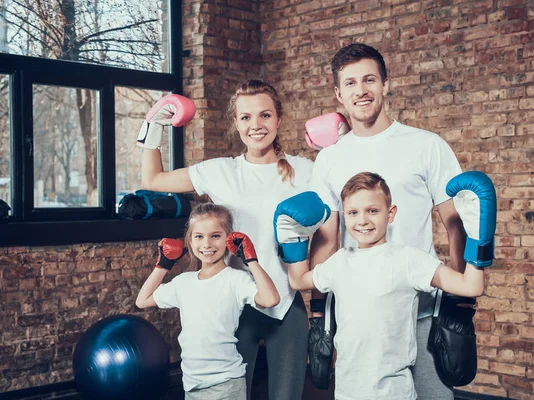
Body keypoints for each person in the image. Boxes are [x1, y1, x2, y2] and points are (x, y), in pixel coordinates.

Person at [307, 43, 467, 398]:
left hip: (424, 309)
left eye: (369, 80)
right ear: (338, 93)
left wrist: (460, 301)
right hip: (361, 312)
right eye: (349, 84)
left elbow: (454, 223)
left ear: (385, 84)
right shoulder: (329, 159)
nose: (360, 91)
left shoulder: (426, 145)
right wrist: (319, 312)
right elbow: (327, 238)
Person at [137, 79, 314, 399]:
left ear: (279, 118)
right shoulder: (220, 171)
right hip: (234, 306)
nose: (256, 125)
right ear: (236, 123)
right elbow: (152, 179)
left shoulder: (305, 171)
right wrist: (154, 127)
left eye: (265, 115)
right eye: (246, 117)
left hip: (287, 303)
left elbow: (336, 224)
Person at [281, 171, 494, 400]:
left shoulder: (409, 260)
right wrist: (293, 240)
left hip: (394, 392)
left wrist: (478, 238)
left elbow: (471, 287)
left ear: (390, 214)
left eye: (372, 210)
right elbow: (298, 280)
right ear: (344, 216)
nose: (362, 220)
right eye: (353, 212)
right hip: (347, 392)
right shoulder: (339, 262)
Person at [135, 202, 280, 400]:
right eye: (199, 237)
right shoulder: (183, 283)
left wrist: (251, 261)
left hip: (226, 383)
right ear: (190, 240)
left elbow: (271, 299)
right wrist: (163, 265)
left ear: (229, 238)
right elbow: (142, 301)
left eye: (215, 236)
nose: (207, 244)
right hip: (192, 384)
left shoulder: (235, 279)